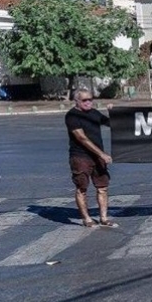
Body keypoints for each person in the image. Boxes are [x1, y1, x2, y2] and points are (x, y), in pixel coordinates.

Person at [65, 89, 118, 227]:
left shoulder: (94, 113)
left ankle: (104, 217)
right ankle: (86, 218)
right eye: (84, 100)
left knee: (103, 187)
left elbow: (111, 123)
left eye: (90, 99)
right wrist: (101, 154)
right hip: (80, 157)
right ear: (76, 101)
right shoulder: (72, 116)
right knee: (82, 188)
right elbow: (81, 138)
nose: (88, 102)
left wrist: (113, 112)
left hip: (98, 157)